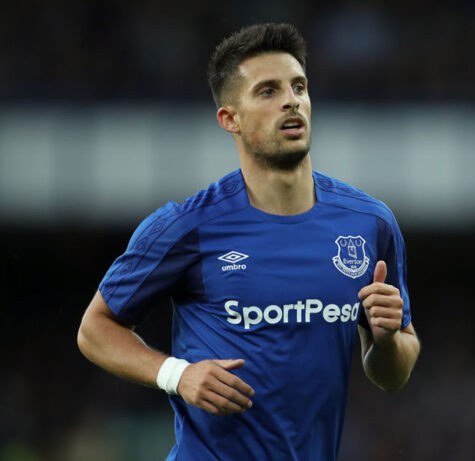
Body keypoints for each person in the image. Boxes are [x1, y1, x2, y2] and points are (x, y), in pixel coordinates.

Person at [77, 22, 420, 461]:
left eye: (299, 87)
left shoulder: (369, 223)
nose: (291, 100)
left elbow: (392, 375)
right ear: (230, 119)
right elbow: (95, 328)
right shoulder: (188, 226)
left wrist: (387, 340)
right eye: (268, 91)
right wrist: (176, 374)